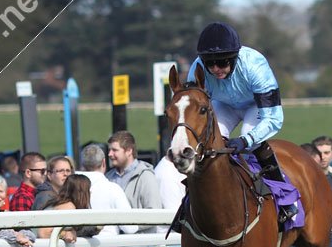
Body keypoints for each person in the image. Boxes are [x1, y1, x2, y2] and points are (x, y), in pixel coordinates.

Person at [187, 21, 296, 222]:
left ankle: (285, 199)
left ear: (234, 58)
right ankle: (189, 202)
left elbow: (273, 118)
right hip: (223, 104)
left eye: (222, 63)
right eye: (210, 64)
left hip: (254, 106)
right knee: (208, 143)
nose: (216, 69)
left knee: (250, 138)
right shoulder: (198, 68)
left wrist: (246, 140)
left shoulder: (255, 65)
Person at [105, 130, 162, 233]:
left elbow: (154, 214)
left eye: (114, 150)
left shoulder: (145, 176)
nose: (109, 154)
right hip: (115, 244)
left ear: (129, 151)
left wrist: (129, 226)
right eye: (109, 150)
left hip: (141, 244)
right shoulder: (108, 178)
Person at [78, 143, 138, 237]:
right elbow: (130, 228)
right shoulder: (113, 189)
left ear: (82, 164)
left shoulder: (70, 187)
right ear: (104, 163)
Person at [36, 174, 100, 242]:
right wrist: (65, 234)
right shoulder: (68, 207)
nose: (90, 193)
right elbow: (43, 233)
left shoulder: (62, 204)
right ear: (81, 193)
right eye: (88, 190)